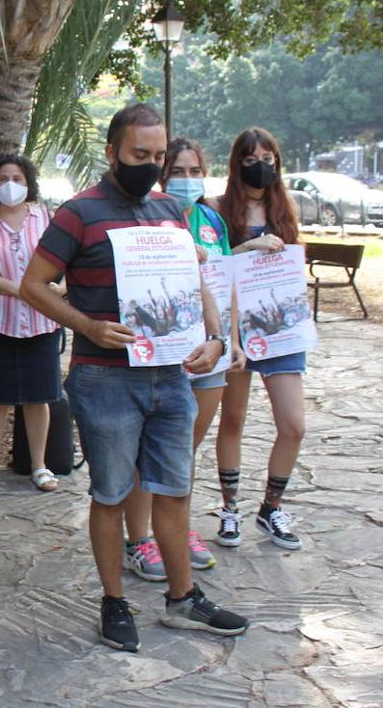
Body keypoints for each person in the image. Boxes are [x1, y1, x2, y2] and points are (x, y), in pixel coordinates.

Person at [20, 104, 249, 652]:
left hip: (171, 375)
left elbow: (199, 281)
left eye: (157, 155)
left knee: (174, 489)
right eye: (137, 155)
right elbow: (33, 285)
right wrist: (89, 328)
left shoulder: (171, 210)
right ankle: (114, 600)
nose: (150, 165)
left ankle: (182, 599)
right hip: (105, 380)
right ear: (111, 153)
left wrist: (215, 337)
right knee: (112, 494)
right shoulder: (78, 213)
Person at [119, 137, 245, 582]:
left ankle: (177, 528)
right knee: (145, 452)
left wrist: (232, 340)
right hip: (165, 352)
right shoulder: (148, 215)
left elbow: (225, 281)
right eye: (178, 171)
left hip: (208, 351)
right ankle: (138, 538)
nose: (188, 180)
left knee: (182, 451)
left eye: (195, 171)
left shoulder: (212, 219)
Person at [212, 127, 307, 551]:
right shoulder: (216, 209)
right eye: (251, 158)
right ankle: (230, 509)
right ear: (237, 163)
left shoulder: (285, 208)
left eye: (268, 156)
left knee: (294, 424)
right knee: (232, 420)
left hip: (281, 331)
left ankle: (271, 506)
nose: (261, 164)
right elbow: (210, 268)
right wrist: (243, 252)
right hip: (237, 332)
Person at [0, 153, 63, 495]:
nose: (10, 185)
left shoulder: (47, 217)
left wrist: (58, 289)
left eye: (18, 179)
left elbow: (66, 261)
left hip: (42, 322)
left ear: (29, 183)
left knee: (39, 398)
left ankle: (39, 465)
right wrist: (22, 290)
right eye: (3, 179)